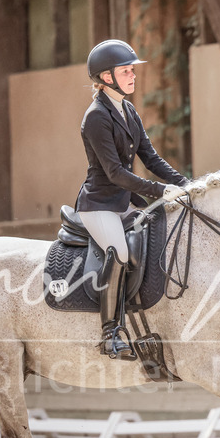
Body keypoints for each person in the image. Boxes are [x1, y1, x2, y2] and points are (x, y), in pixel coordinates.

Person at [75, 39, 189, 360]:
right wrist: (161, 191)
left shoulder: (128, 110)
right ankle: (110, 333)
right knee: (120, 253)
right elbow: (115, 173)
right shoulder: (96, 117)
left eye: (132, 71)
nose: (133, 76)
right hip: (99, 205)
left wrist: (187, 184)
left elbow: (151, 158)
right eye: (126, 71)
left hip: (125, 202)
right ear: (107, 77)